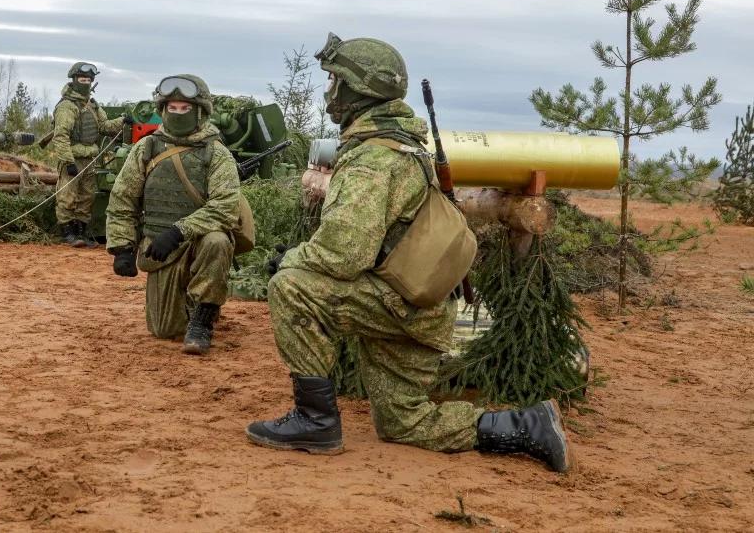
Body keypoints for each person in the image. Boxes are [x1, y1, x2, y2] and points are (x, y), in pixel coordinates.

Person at [246, 34, 571, 473]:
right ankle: (527, 424)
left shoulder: (371, 160)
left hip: (397, 304)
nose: (328, 92)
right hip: (419, 304)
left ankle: (315, 421)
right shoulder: (402, 146)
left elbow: (343, 254)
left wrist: (290, 259)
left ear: (355, 91)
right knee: (406, 422)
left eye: (333, 82)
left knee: (292, 286)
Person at [106, 75, 239, 355]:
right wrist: (122, 247)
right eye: (173, 108)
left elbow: (226, 206)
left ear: (200, 111)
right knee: (165, 330)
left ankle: (204, 315)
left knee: (217, 241)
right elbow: (123, 198)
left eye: (185, 108)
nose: (178, 114)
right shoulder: (147, 147)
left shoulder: (216, 152)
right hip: (159, 248)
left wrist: (180, 231)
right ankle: (191, 304)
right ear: (163, 109)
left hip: (197, 242)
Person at [49, 62, 127, 247]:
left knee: (87, 197)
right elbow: (60, 136)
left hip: (90, 159)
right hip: (73, 158)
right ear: (74, 80)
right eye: (82, 79)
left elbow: (104, 127)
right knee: (67, 197)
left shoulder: (92, 105)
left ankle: (81, 235)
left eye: (88, 80)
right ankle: (67, 235)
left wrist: (123, 120)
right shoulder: (67, 106)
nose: (85, 82)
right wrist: (68, 161)